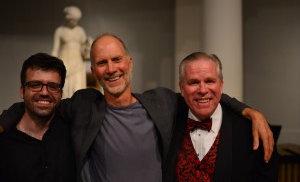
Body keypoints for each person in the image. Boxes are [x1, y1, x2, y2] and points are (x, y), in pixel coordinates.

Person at [0, 34, 273, 182]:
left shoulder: (162, 102)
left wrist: (249, 111)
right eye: (102, 63)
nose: (111, 69)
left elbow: (201, 93)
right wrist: (3, 121)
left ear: (129, 63)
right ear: (93, 70)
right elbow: (39, 99)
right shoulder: (84, 105)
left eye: (117, 59)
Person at [165, 52, 279, 181]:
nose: (202, 90)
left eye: (209, 81)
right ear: (182, 88)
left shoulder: (253, 132)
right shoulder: (167, 124)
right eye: (193, 82)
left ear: (221, 85)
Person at [0, 53, 75, 182]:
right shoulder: (4, 141)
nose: (45, 92)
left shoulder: (74, 135)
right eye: (35, 84)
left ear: (61, 93)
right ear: (22, 91)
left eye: (53, 86)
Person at [51, 6, 90, 98]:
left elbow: (85, 47)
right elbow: (55, 49)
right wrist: (51, 65)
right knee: (65, 90)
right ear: (68, 18)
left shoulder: (80, 30)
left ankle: (78, 110)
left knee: (78, 88)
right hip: (65, 61)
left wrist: (88, 44)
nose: (75, 22)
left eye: (76, 20)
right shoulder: (60, 31)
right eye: (73, 20)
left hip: (78, 62)